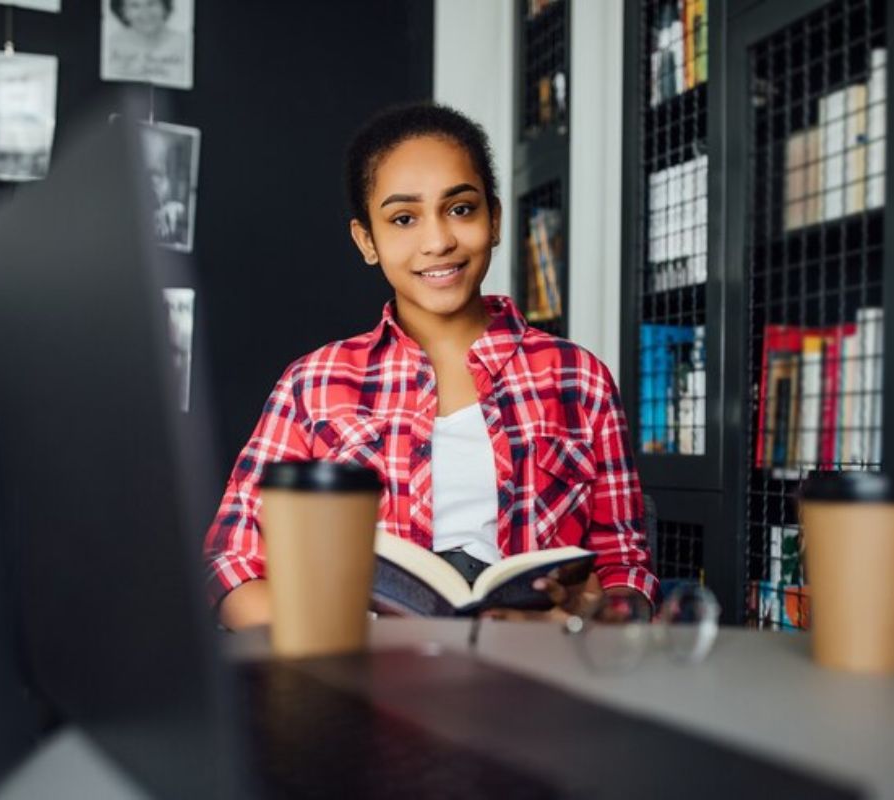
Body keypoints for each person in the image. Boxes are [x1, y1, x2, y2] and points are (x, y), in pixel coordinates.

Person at [204, 103, 657, 630]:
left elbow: (627, 570)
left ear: (495, 219)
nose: (438, 240)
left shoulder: (579, 378)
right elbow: (232, 564)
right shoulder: (313, 386)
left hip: (538, 680)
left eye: (461, 209)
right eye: (403, 219)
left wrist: (588, 616)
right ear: (367, 241)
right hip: (367, 684)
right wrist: (364, 637)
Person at [102, 0, 192, 89]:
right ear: (123, 12)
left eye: (151, 3)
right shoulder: (111, 45)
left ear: (164, 7)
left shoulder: (184, 45)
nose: (145, 12)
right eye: (135, 6)